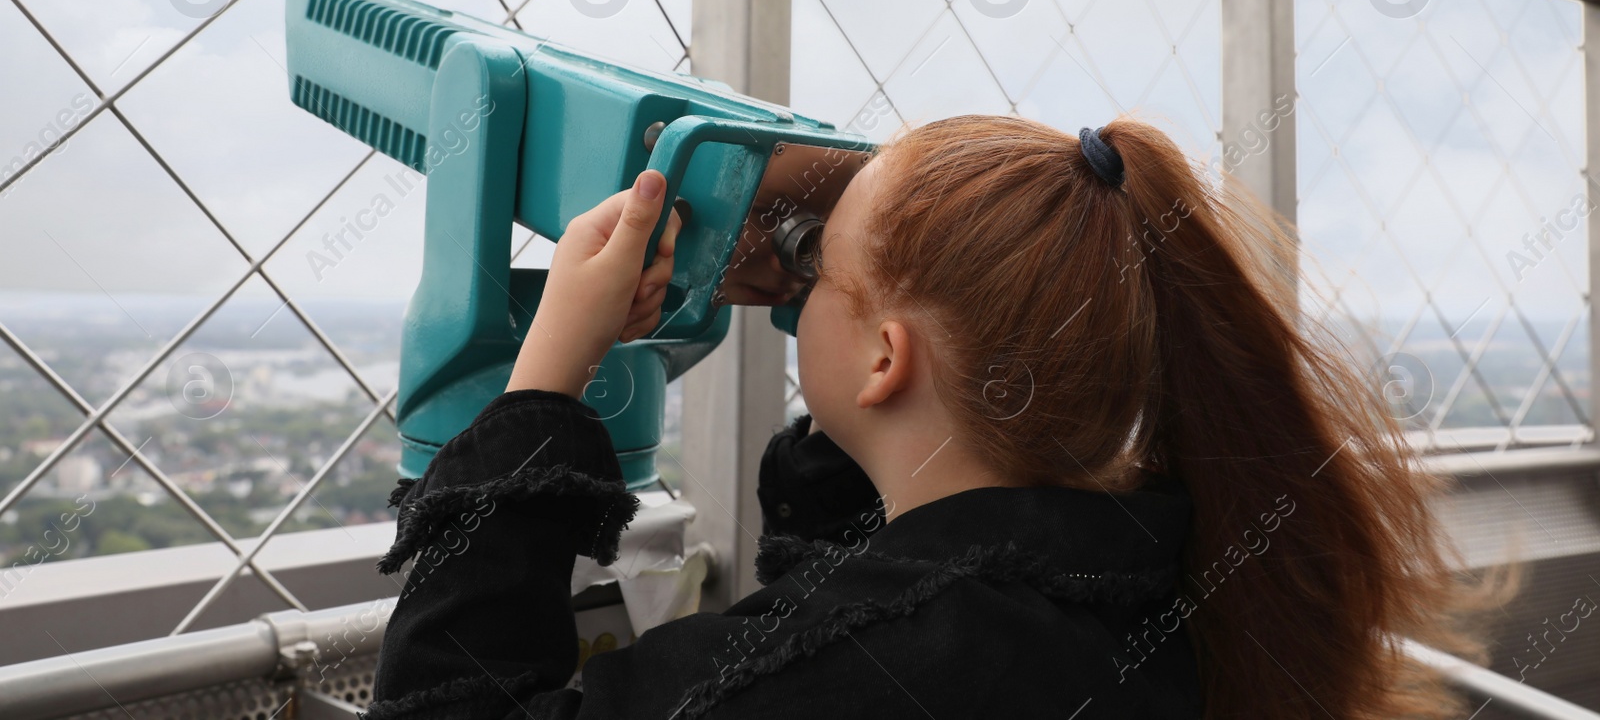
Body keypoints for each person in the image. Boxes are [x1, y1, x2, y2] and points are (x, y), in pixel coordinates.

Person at [362, 114, 1490, 720]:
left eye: (819, 267)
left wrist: (546, 376)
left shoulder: (866, 661)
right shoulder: (1167, 587)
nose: (795, 287)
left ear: (889, 357)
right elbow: (876, 587)